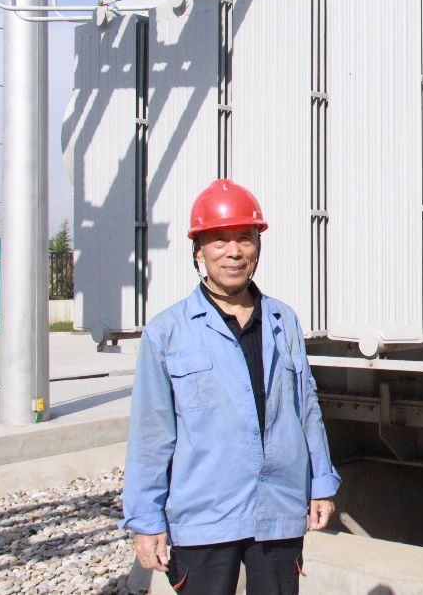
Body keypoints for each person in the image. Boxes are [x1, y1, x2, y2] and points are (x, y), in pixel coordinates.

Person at [121, 178, 340, 594]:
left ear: (258, 245)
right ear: (198, 251)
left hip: (278, 508)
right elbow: (151, 434)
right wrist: (146, 520)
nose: (234, 252)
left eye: (245, 238)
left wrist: (321, 484)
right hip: (204, 514)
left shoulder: (283, 322)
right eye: (219, 240)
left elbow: (306, 409)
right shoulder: (167, 332)